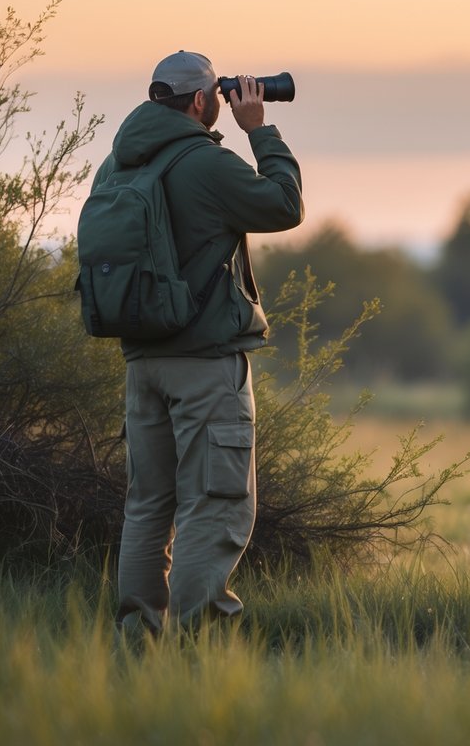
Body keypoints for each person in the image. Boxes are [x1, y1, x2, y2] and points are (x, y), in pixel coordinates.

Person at [94, 51, 304, 634]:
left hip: (144, 363)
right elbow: (285, 206)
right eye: (217, 92)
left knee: (148, 506)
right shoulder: (204, 163)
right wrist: (260, 130)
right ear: (198, 102)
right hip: (205, 365)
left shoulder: (118, 163)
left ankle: (137, 641)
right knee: (214, 506)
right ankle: (200, 649)